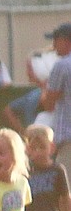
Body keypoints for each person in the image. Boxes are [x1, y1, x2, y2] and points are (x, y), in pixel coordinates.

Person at [39, 23, 71, 169]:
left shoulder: (62, 65)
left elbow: (48, 104)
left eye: (56, 39)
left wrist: (44, 87)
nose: (53, 44)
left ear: (66, 40)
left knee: (65, 189)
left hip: (67, 141)